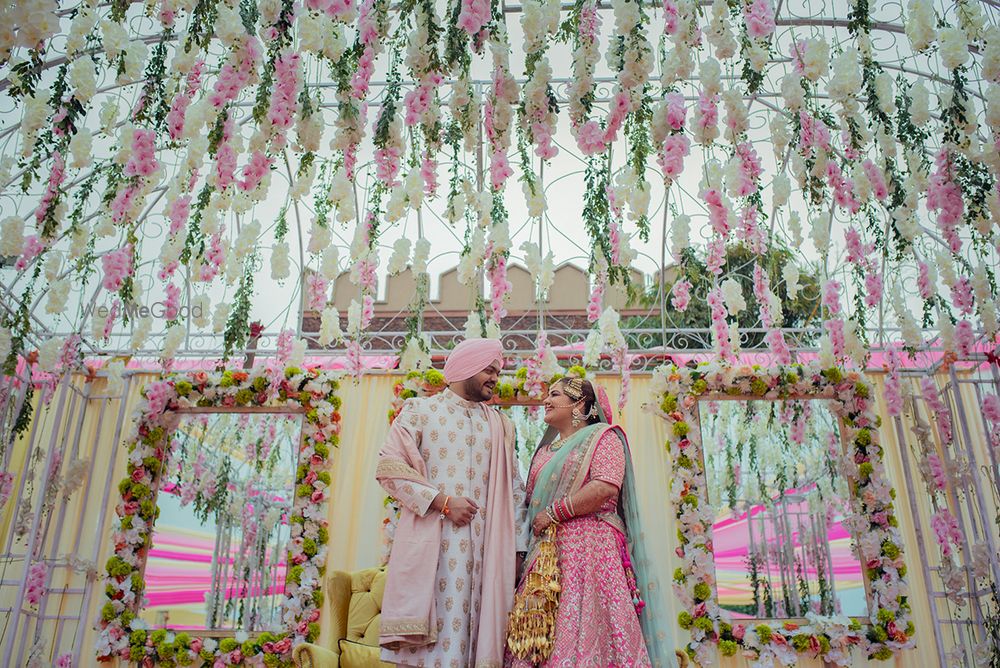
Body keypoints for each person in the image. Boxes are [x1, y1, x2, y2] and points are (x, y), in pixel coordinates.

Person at [376, 338, 530, 668]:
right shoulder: (420, 412)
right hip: (438, 550)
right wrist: (442, 502)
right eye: (489, 370)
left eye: (497, 372)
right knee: (435, 650)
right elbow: (389, 467)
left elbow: (515, 490)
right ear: (466, 368)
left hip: (488, 555)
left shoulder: (502, 425)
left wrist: (518, 550)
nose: (494, 378)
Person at [507, 376, 673, 667]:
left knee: (593, 628)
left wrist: (555, 514)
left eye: (554, 394)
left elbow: (605, 487)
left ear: (580, 403)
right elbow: (531, 504)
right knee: (539, 631)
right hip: (547, 555)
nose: (546, 400)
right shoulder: (543, 453)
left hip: (592, 549)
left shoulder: (604, 437)